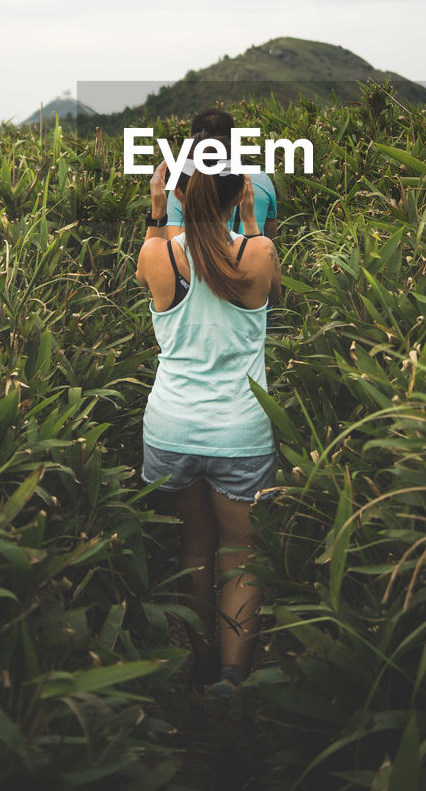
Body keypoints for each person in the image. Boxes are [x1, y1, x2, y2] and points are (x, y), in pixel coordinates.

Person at [135, 135, 281, 706]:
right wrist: (249, 220)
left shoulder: (157, 254)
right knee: (240, 552)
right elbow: (256, 266)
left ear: (181, 192)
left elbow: (160, 254)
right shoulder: (258, 254)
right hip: (241, 430)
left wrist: (155, 209)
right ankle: (231, 677)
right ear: (239, 191)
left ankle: (196, 662)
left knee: (194, 546)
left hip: (170, 427)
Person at [165, 109, 277, 242]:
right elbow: (271, 239)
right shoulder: (261, 179)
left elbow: (175, 243)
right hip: (253, 257)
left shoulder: (185, 185)